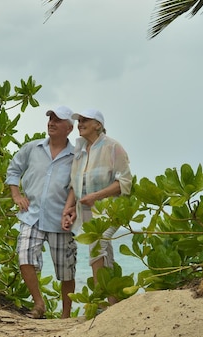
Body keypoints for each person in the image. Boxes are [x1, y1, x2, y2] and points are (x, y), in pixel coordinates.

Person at [5, 106, 77, 319]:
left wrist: (72, 210)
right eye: (50, 118)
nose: (51, 123)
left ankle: (65, 316)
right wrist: (16, 195)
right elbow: (13, 169)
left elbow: (78, 186)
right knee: (24, 256)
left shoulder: (76, 156)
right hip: (32, 215)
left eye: (57, 120)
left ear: (69, 128)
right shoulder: (32, 148)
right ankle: (39, 305)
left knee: (66, 271)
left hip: (60, 220)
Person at [61, 108, 132, 306]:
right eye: (79, 120)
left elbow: (125, 183)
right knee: (105, 253)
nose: (80, 124)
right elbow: (76, 185)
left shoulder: (113, 147)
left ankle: (99, 300)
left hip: (112, 210)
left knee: (97, 246)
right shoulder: (80, 150)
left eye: (85, 120)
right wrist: (69, 209)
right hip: (88, 212)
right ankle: (113, 303)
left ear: (98, 125)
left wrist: (96, 196)